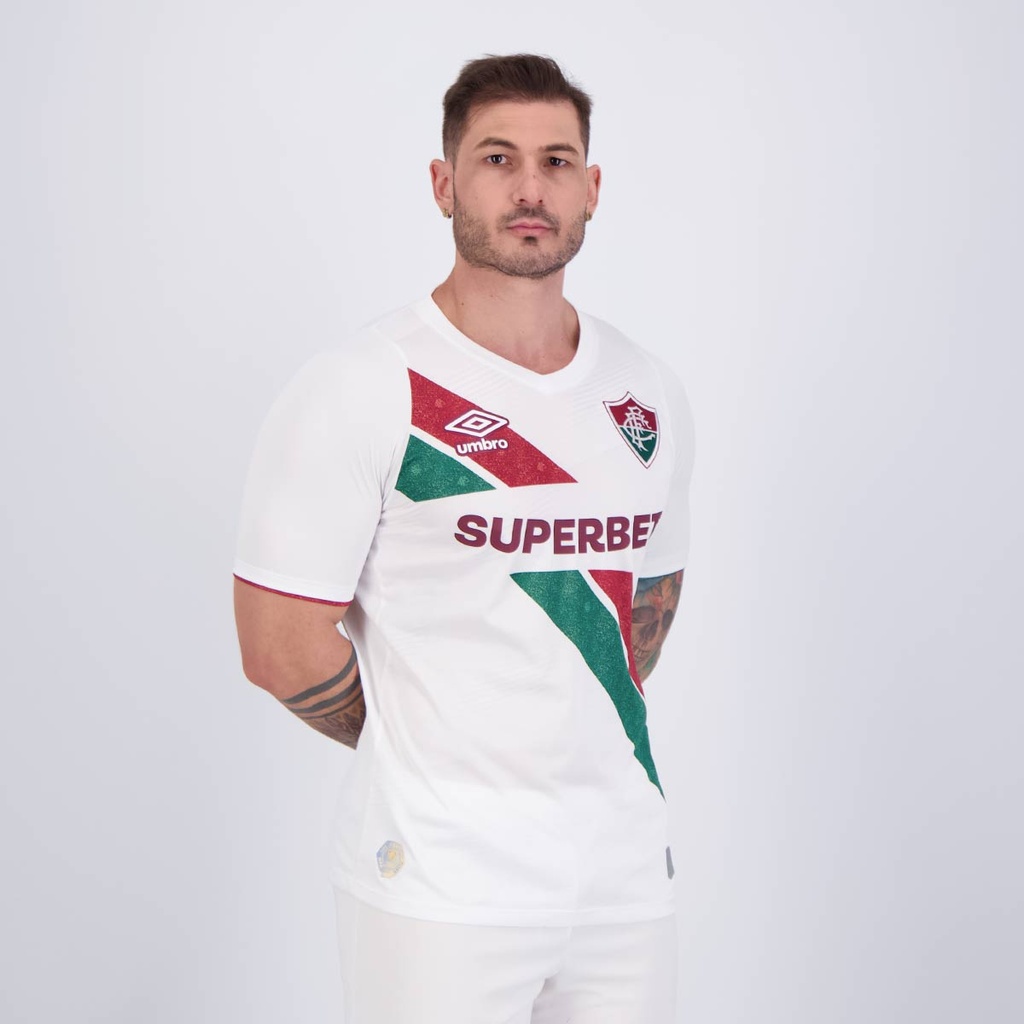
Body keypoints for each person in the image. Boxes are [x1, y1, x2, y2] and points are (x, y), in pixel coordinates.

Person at [233, 53, 695, 1024]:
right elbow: (278, 647)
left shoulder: (646, 392)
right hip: (439, 885)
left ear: (592, 188)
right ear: (444, 184)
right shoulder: (365, 385)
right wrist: (424, 737)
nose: (530, 188)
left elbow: (644, 614)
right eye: (497, 158)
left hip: (621, 879)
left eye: (556, 161)